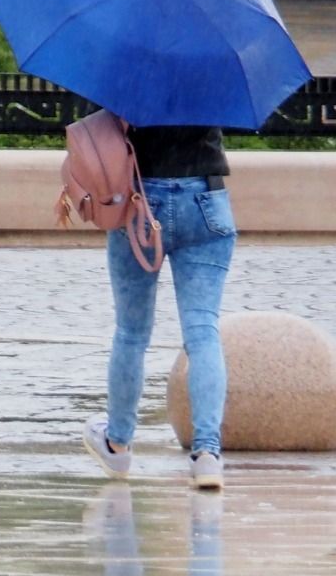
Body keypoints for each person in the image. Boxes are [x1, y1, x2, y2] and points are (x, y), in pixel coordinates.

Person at [84, 123, 235, 490]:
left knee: (131, 333)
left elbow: (97, 126)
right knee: (202, 331)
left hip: (139, 195)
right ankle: (207, 455)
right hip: (205, 196)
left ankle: (117, 442)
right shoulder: (214, 66)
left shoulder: (132, 67)